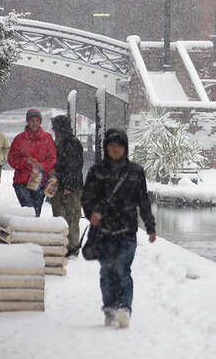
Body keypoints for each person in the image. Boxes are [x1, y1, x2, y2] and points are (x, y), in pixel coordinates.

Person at [81, 128, 156, 329]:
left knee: (122, 268)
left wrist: (150, 227)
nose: (115, 150)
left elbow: (143, 201)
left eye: (119, 146)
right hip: (104, 231)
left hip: (127, 231)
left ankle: (124, 308)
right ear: (106, 148)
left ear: (125, 148)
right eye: (111, 146)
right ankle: (110, 307)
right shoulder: (97, 172)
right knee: (107, 271)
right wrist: (92, 213)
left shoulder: (135, 172)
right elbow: (86, 198)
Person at [7, 109, 56, 217]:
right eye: (32, 120)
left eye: (37, 121)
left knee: (36, 213)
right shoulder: (19, 139)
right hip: (22, 182)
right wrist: (25, 161)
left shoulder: (47, 138)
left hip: (40, 182)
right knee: (28, 211)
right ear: (27, 122)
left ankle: (32, 232)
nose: (34, 123)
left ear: (40, 122)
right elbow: (11, 159)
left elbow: (52, 159)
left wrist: (41, 166)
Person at [49, 115, 84, 257]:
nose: (52, 129)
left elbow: (75, 166)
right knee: (61, 217)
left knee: (72, 217)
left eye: (54, 127)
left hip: (71, 187)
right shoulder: (60, 142)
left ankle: (72, 248)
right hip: (60, 185)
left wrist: (68, 185)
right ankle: (64, 246)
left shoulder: (71, 143)